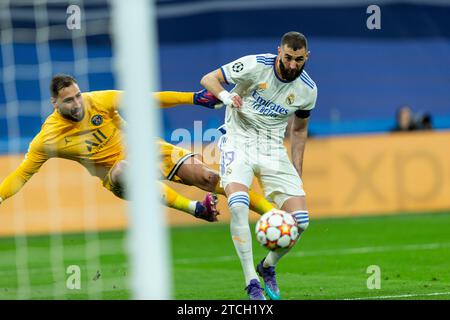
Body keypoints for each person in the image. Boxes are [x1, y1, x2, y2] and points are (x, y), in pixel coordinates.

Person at [0, 75, 274, 223]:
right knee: (124, 169)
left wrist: (193, 98)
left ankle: (272, 216)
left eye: (78, 96)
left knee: (210, 179)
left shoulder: (99, 100)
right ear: (54, 103)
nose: (77, 104)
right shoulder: (48, 138)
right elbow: (23, 174)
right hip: (117, 176)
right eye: (68, 100)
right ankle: (195, 209)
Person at [200, 31, 317, 300]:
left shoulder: (308, 90)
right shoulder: (255, 65)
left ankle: (267, 267)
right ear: (279, 51)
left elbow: (299, 130)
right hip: (237, 140)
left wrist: (296, 171)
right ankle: (251, 283)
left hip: (272, 149)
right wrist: (226, 96)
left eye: (299, 60)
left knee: (300, 222)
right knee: (238, 203)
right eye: (288, 57)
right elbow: (209, 79)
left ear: (306, 57)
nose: (292, 65)